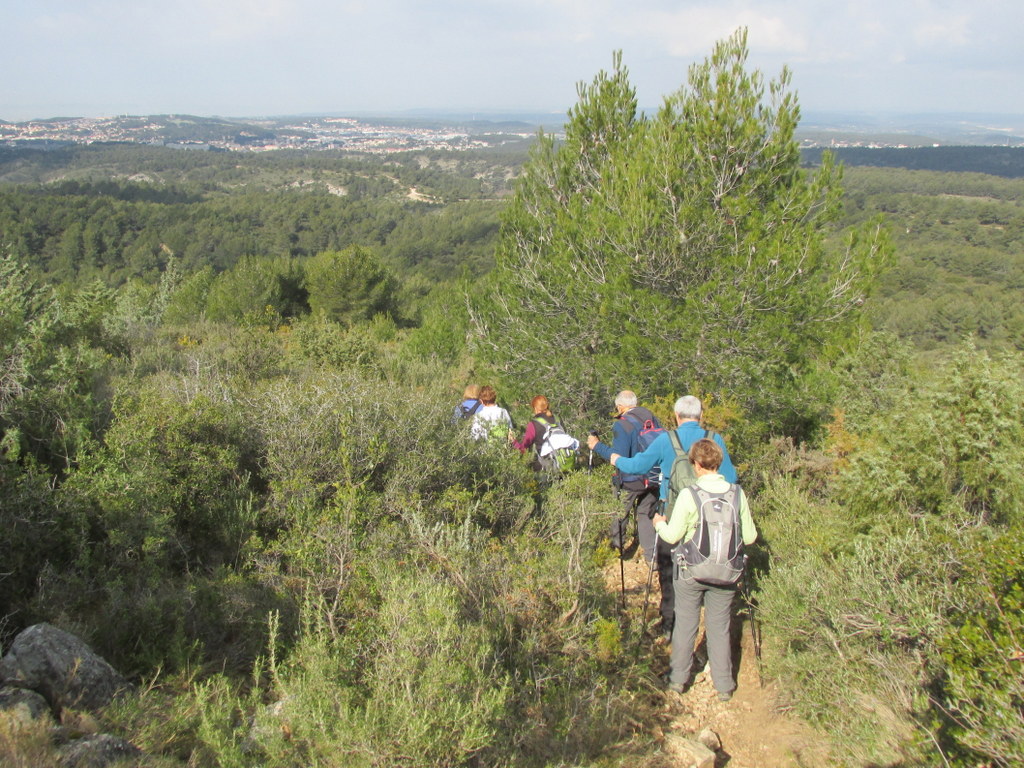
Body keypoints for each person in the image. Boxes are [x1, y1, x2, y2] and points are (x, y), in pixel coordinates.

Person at [587, 394, 738, 638]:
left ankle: (670, 623)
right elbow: (731, 479)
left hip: (673, 515)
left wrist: (610, 455)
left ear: (676, 416)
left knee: (669, 572)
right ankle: (709, 626)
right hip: (709, 518)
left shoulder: (668, 439)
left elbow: (636, 466)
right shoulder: (715, 439)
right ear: (702, 416)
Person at [651, 438, 757, 702]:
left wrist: (658, 524)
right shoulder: (737, 493)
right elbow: (751, 537)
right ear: (718, 462)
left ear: (697, 464)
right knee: (719, 626)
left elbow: (673, 535)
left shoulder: (690, 494)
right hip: (727, 572)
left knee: (686, 623)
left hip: (691, 571)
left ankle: (677, 680)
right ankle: (724, 686)